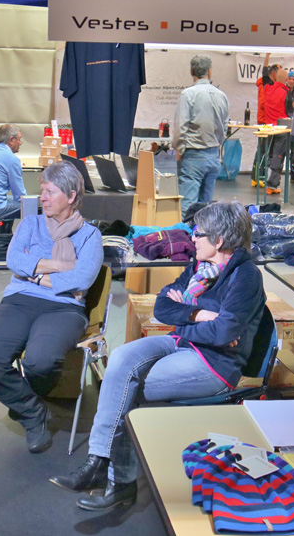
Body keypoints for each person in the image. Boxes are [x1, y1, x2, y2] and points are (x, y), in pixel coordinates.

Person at [50, 202, 265, 511]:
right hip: (181, 342)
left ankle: (115, 479)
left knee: (125, 388)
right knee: (121, 359)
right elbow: (162, 306)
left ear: (218, 241)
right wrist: (199, 314)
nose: (192, 238)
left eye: (198, 233)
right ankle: (100, 461)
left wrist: (187, 316)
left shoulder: (245, 276)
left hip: (215, 364)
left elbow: (222, 335)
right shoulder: (200, 266)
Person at [0, 161, 103, 453]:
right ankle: (34, 413)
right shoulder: (30, 224)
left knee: (40, 361)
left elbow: (82, 279)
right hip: (19, 300)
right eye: (42, 191)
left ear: (71, 196)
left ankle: (25, 404)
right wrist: (60, 267)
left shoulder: (89, 235)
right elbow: (14, 260)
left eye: (50, 192)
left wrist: (35, 273)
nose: (42, 197)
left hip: (64, 308)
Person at [172, 55, 229, 214]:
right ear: (209, 72)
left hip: (193, 156)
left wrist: (179, 149)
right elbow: (224, 127)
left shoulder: (188, 94)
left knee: (187, 209)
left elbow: (180, 127)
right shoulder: (221, 95)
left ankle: (187, 230)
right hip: (213, 155)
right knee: (206, 209)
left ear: (192, 72)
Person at [263, 69, 294, 194]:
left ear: (275, 77)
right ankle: (272, 184)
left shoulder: (267, 89)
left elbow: (264, 76)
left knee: (269, 154)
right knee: (279, 156)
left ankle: (265, 179)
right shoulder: (286, 93)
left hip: (268, 128)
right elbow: (289, 112)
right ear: (286, 80)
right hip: (281, 128)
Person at [251, 55, 280, 188]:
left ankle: (261, 176)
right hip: (264, 122)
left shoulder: (273, 86)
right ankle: (256, 177)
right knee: (262, 150)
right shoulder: (265, 84)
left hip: (269, 122)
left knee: (266, 151)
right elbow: (263, 103)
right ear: (273, 73)